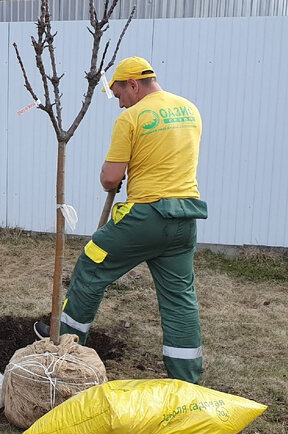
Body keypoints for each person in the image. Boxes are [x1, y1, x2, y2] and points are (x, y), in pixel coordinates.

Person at [35, 57, 208, 383]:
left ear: (133, 84)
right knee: (178, 298)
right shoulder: (189, 110)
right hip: (185, 218)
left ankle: (67, 348)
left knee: (91, 263)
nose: (120, 104)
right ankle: (186, 382)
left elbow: (111, 178)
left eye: (119, 96)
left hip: (145, 217)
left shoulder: (132, 117)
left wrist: (110, 180)